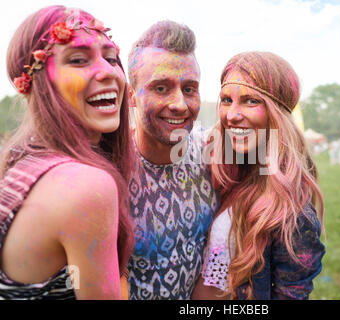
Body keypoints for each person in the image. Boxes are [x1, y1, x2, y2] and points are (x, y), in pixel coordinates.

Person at [0, 5, 134, 299]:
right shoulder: (85, 187)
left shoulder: (18, 162)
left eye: (111, 58)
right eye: (77, 59)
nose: (108, 71)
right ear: (37, 81)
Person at [191, 52, 326, 300]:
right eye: (226, 100)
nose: (232, 114)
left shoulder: (293, 212)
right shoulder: (228, 172)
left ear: (277, 113)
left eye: (250, 101)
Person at [125, 20, 219, 300]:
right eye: (161, 88)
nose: (180, 104)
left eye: (189, 89)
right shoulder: (108, 170)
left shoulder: (213, 153)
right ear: (132, 97)